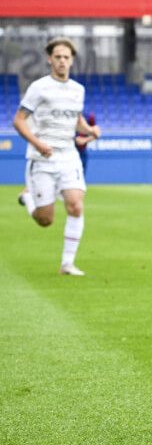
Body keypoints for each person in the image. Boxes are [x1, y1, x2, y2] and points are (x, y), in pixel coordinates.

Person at [13, 37, 102, 276]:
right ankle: (28, 198)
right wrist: (38, 143)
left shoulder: (78, 90)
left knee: (76, 205)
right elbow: (18, 121)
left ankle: (67, 264)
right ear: (50, 60)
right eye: (58, 57)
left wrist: (90, 130)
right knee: (45, 220)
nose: (62, 61)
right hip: (42, 158)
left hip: (68, 156)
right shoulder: (39, 88)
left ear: (72, 61)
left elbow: (76, 120)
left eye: (66, 57)